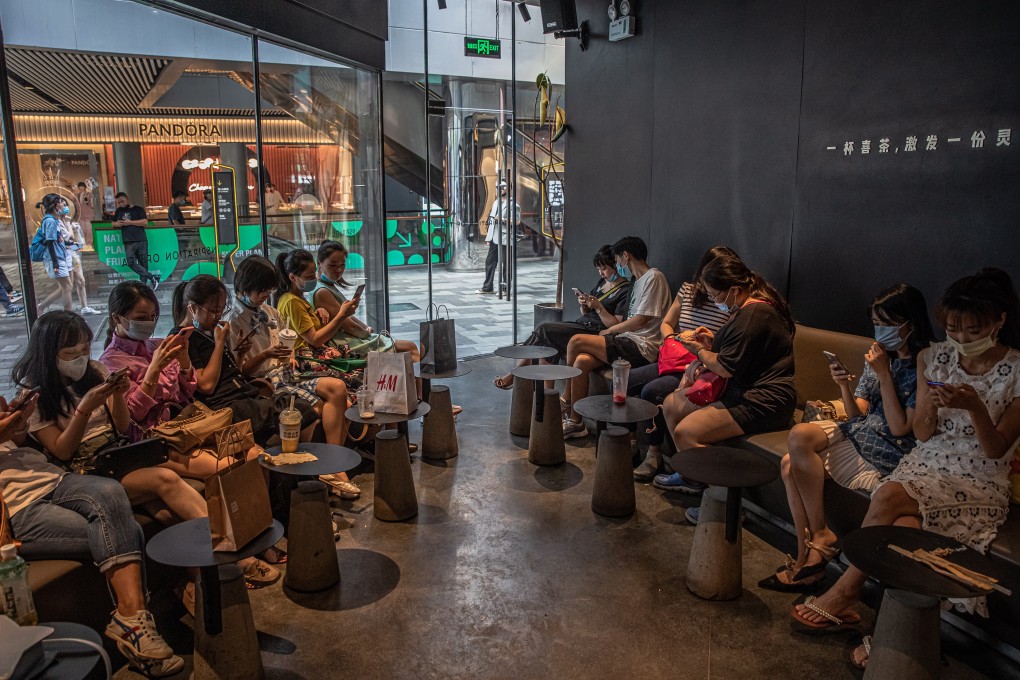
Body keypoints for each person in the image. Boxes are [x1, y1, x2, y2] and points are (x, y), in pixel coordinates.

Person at [792, 269, 1020, 670]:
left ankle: (846, 593)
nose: (961, 339)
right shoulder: (934, 357)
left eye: (972, 329)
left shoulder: (1017, 371)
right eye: (953, 328)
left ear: (999, 320)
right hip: (930, 460)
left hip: (978, 476)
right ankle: (893, 634)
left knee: (891, 501)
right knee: (902, 522)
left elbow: (996, 448)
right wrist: (932, 403)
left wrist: (976, 408)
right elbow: (923, 433)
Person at [761, 284, 934, 591]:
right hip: (860, 433)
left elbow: (898, 428)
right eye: (877, 324)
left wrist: (883, 374)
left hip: (889, 451)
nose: (881, 332)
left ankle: (810, 559)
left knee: (790, 464)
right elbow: (858, 414)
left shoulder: (924, 363)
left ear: (910, 323)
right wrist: (843, 385)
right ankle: (815, 545)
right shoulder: (880, 355)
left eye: (888, 324)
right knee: (799, 439)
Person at [1, 393, 184, 677]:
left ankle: (132, 624)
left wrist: (19, 425)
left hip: (53, 478)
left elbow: (20, 445)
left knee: (110, 491)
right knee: (128, 529)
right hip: (18, 506)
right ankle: (139, 631)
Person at [655, 254, 797, 492]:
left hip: (763, 400)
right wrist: (712, 342)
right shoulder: (746, 309)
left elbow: (724, 367)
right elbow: (741, 353)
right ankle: (691, 476)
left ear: (733, 290)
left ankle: (721, 502)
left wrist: (698, 351)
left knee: (686, 432)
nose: (713, 299)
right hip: (741, 389)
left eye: (714, 294)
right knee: (671, 404)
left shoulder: (754, 314)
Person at [227, 255, 360, 499]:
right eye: (261, 290)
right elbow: (240, 372)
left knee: (339, 390)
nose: (266, 295)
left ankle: (332, 464)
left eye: (269, 290)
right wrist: (267, 353)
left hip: (289, 371)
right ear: (244, 287)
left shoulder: (269, 310)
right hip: (266, 382)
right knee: (329, 407)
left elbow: (288, 340)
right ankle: (331, 471)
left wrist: (288, 353)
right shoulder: (233, 321)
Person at [630, 246, 737, 481]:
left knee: (651, 391)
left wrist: (704, 345)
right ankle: (630, 442)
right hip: (676, 356)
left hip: (701, 366)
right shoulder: (687, 291)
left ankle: (654, 454)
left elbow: (727, 348)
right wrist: (673, 339)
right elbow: (667, 323)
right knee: (626, 381)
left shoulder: (730, 302)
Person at [172, 275, 317, 443]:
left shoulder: (208, 331)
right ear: (192, 308)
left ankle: (291, 458)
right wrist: (220, 344)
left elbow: (232, 373)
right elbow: (206, 385)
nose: (218, 316)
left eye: (221, 310)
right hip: (225, 407)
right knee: (297, 409)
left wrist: (240, 355)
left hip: (243, 395)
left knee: (298, 407)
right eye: (213, 311)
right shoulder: (183, 338)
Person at [561, 236, 672, 439]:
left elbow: (641, 320)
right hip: (628, 340)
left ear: (626, 256)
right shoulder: (636, 281)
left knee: (576, 341)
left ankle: (565, 400)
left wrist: (611, 330)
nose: (618, 265)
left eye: (618, 260)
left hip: (642, 346)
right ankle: (576, 422)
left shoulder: (653, 277)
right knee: (581, 361)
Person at [493, 245, 631, 390]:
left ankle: (515, 375)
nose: (601, 273)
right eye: (598, 269)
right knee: (549, 342)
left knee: (545, 330)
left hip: (596, 332)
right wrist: (584, 305)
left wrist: (599, 307)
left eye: (604, 269)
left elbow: (615, 325)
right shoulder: (602, 284)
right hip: (583, 324)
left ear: (615, 265)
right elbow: (586, 314)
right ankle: (547, 394)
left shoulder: (625, 290)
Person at [311, 241, 422, 363]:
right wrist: (366, 333)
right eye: (332, 265)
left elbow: (348, 319)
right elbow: (348, 325)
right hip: (344, 344)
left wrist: (366, 328)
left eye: (342, 265)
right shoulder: (322, 291)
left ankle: (414, 380)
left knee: (410, 348)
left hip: (348, 339)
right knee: (410, 348)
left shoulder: (327, 286)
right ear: (319, 263)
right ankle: (415, 380)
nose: (339, 270)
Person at [477, 181, 521, 295]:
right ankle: (488, 288)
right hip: (494, 238)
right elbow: (492, 220)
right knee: (489, 262)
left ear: (508, 189)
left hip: (506, 239)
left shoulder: (513, 205)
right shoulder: (496, 203)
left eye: (502, 187)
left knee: (506, 265)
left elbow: (517, 221)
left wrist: (502, 220)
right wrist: (489, 237)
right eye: (497, 187)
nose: (499, 189)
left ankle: (505, 289)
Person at [113, 192, 158, 290]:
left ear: (127, 199)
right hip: (128, 240)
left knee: (143, 263)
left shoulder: (138, 209)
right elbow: (113, 223)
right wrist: (118, 224)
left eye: (122, 201)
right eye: (119, 202)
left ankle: (144, 286)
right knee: (131, 262)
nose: (121, 204)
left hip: (140, 239)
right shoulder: (118, 211)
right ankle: (152, 277)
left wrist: (130, 222)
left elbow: (145, 222)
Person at [35, 194, 73, 313]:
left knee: (65, 287)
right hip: (55, 258)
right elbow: (50, 241)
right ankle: (68, 315)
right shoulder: (50, 221)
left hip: (58, 256)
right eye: (62, 202)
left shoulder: (53, 219)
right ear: (56, 205)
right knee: (67, 286)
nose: (63, 205)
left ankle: (41, 307)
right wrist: (56, 263)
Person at [60, 203, 97, 315]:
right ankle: (65, 311)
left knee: (81, 280)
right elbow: (68, 239)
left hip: (73, 255)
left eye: (65, 205)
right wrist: (69, 226)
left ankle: (84, 307)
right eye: (62, 205)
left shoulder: (69, 221)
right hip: (64, 256)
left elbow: (78, 241)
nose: (65, 207)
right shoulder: (57, 223)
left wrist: (74, 229)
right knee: (68, 286)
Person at [75, 181, 94, 249]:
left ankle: (89, 242)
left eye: (82, 186)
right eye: (80, 186)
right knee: (82, 229)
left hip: (88, 214)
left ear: (85, 187)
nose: (81, 188)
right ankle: (83, 242)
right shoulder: (77, 195)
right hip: (80, 215)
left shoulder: (89, 194)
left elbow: (91, 204)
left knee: (88, 229)